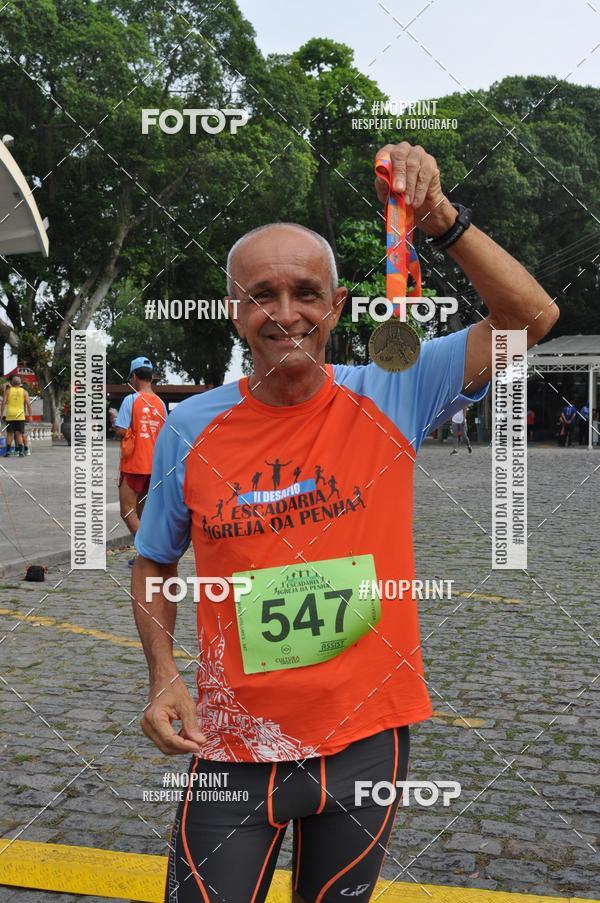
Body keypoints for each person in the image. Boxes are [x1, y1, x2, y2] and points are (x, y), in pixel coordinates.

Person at [132, 141, 558, 903]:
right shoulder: (188, 428)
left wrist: (442, 220)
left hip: (369, 740)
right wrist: (164, 675)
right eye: (262, 294)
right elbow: (154, 559)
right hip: (233, 749)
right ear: (235, 309)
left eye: (306, 292)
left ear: (338, 306)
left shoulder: (394, 388)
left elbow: (532, 315)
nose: (285, 312)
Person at [113, 357, 167, 563]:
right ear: (151, 377)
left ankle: (149, 553)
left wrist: (114, 423)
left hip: (134, 463)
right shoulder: (161, 404)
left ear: (134, 377)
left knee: (127, 511)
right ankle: (143, 555)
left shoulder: (132, 400)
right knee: (143, 512)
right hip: (154, 465)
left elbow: (121, 430)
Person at [1, 375, 32, 458]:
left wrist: (1, 415)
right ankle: (21, 452)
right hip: (20, 416)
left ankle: (7, 452)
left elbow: (3, 403)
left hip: (10, 415)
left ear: (12, 383)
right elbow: (28, 404)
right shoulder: (24, 392)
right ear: (20, 383)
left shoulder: (8, 391)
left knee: (9, 434)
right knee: (19, 434)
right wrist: (30, 415)